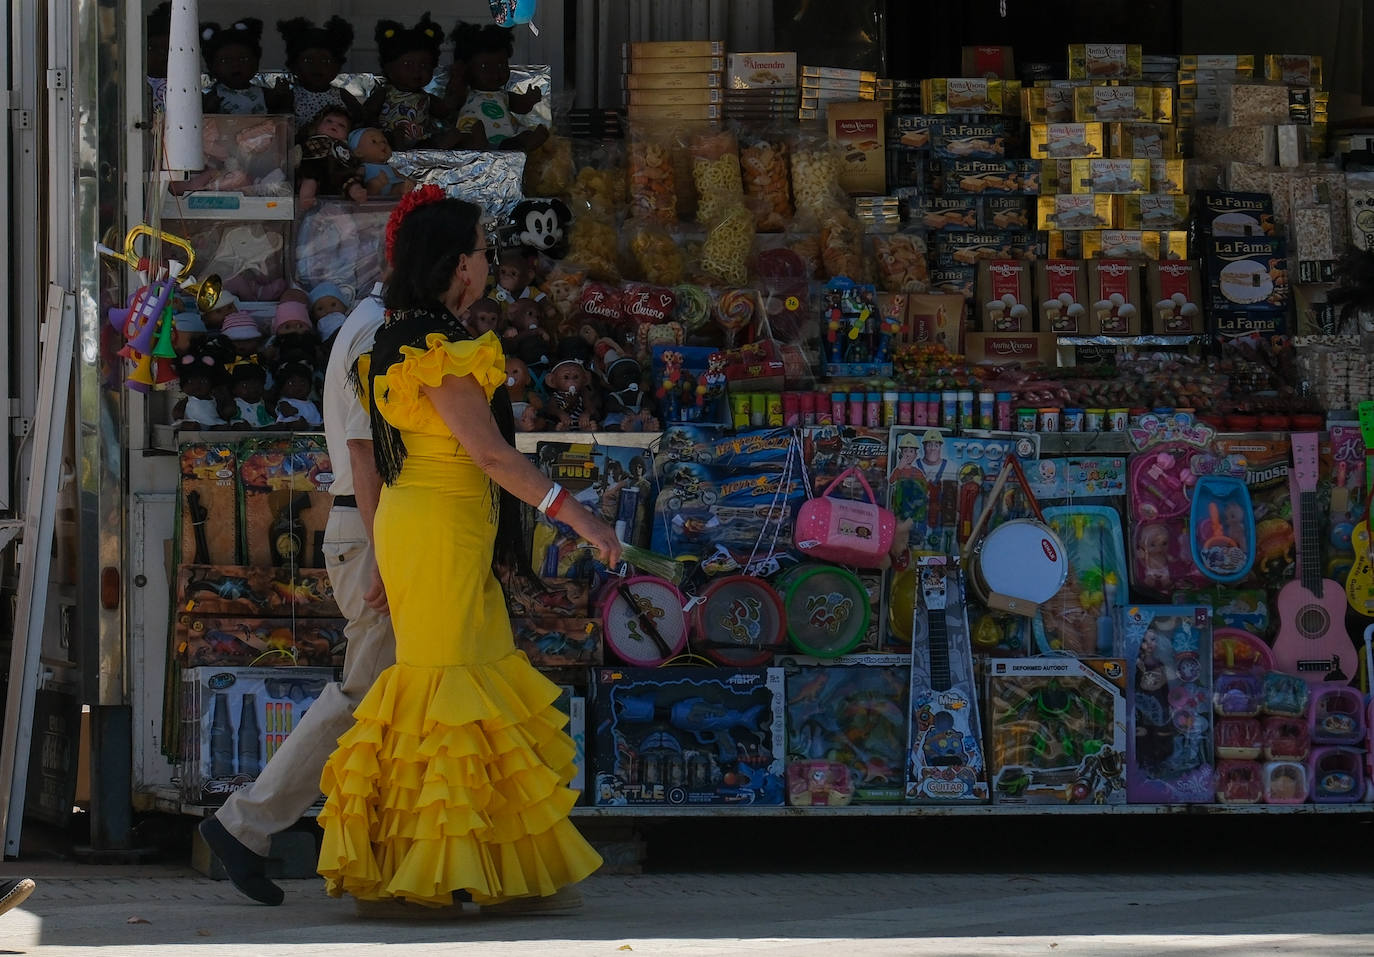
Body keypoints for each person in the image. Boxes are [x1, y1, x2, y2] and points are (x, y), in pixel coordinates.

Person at [316, 186, 614, 916]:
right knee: (446, 689)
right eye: (483, 249)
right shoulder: (435, 348)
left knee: (466, 680)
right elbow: (490, 455)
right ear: (459, 268)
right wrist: (579, 517)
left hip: (433, 529)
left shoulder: (400, 335)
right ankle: (430, 871)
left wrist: (385, 551)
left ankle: (465, 862)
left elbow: (371, 456)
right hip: (441, 530)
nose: (489, 260)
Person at [198, 267, 395, 907]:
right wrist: (387, 552)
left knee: (386, 693)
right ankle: (244, 822)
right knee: (364, 691)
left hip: (370, 526)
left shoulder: (370, 325)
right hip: (371, 528)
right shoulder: (372, 333)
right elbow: (365, 455)